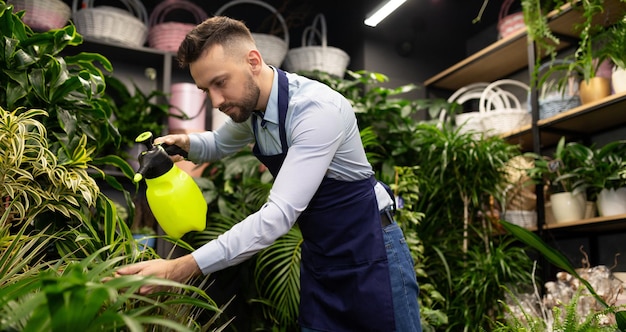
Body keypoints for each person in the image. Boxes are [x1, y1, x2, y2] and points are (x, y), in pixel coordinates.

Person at [116, 15, 422, 332]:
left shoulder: (316, 111)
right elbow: (218, 143)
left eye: (220, 82)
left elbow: (277, 216)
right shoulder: (253, 111)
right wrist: (186, 143)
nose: (217, 100)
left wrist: (182, 267)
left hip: (373, 253)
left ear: (253, 60)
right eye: (206, 90)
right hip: (321, 257)